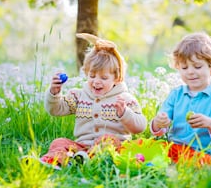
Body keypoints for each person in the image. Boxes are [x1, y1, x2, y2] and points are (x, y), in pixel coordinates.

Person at [40, 33, 147, 168]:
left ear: (117, 78)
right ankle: (54, 162)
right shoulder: (79, 96)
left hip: (113, 149)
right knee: (59, 142)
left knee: (108, 141)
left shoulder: (124, 99)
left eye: (103, 78)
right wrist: (54, 93)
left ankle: (87, 161)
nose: (96, 81)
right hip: (82, 147)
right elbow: (55, 110)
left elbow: (140, 126)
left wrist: (125, 113)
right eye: (92, 76)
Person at [150, 32, 211, 166]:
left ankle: (172, 166)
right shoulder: (176, 95)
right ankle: (162, 165)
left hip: (204, 154)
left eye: (197, 66)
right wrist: (158, 122)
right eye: (184, 67)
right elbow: (159, 130)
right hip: (176, 149)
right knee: (151, 148)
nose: (190, 72)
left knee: (205, 164)